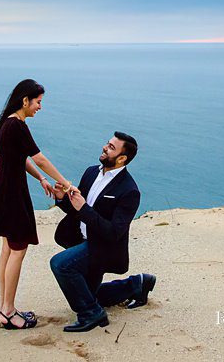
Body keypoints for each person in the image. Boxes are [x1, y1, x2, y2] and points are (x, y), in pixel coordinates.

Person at [0, 79, 72, 330]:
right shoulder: (17, 126)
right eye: (38, 102)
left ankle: (5, 307)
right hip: (12, 194)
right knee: (18, 249)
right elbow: (39, 158)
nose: (40, 106)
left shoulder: (7, 123)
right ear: (25, 100)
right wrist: (66, 183)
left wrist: (41, 179)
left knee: (8, 248)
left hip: (5, 191)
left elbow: (21, 158)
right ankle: (8, 311)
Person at [50, 131, 157, 332]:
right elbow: (78, 208)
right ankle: (138, 284)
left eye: (111, 148)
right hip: (80, 240)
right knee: (90, 294)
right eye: (107, 144)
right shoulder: (91, 172)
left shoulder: (129, 190)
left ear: (122, 158)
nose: (104, 148)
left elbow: (113, 233)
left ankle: (92, 314)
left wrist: (83, 208)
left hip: (103, 247)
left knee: (60, 264)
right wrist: (61, 199)